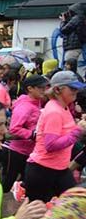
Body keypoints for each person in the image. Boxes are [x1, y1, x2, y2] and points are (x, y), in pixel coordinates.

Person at [0, 74, 49, 219]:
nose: (45, 90)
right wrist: (34, 134)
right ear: (30, 89)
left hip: (30, 154)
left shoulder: (39, 104)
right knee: (4, 185)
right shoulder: (25, 106)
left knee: (27, 192)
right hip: (15, 151)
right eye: (41, 88)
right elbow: (15, 129)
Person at [23, 71, 86, 204]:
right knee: (36, 214)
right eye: (72, 88)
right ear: (57, 90)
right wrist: (78, 131)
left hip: (59, 169)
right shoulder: (54, 111)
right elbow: (51, 145)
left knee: (74, 205)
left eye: (77, 88)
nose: (76, 91)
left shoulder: (63, 107)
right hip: (42, 170)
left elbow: (64, 132)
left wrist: (78, 125)